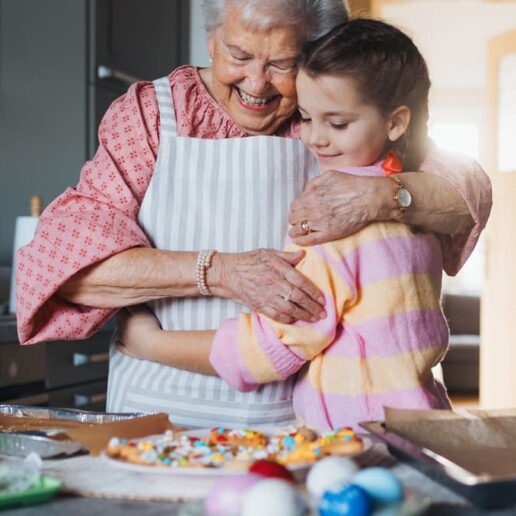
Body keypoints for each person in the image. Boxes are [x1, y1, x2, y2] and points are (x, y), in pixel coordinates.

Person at [16, 0, 491, 428]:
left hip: (301, 423)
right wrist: (220, 271)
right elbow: (66, 264)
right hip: (158, 413)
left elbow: (468, 190)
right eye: (239, 55)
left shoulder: (329, 117)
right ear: (212, 39)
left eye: (282, 63)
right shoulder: (151, 114)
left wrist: (379, 197)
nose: (257, 83)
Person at [117, 18, 452, 430]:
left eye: (338, 123)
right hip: (424, 418)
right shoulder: (421, 203)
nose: (314, 138)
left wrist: (151, 342)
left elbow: (272, 346)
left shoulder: (334, 220)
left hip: (360, 434)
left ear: (396, 122)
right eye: (307, 118)